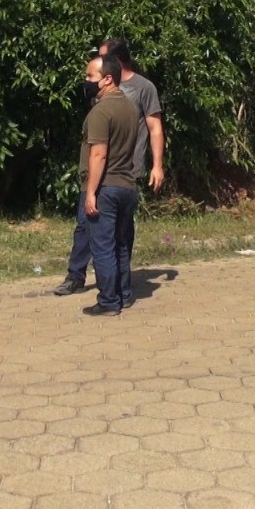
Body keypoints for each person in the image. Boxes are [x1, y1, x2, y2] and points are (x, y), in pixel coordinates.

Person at [54, 38, 164, 296]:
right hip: (97, 171)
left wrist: (157, 165)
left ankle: (114, 291)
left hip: (124, 170)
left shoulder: (142, 88)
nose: (98, 61)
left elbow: (155, 127)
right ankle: (76, 275)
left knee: (120, 233)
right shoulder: (101, 90)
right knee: (85, 225)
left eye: (104, 57)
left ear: (118, 61)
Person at [78, 55, 140, 315]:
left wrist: (91, 192)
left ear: (107, 79)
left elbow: (98, 155)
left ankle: (108, 301)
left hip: (106, 187)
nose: (86, 81)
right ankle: (124, 294)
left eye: (90, 76)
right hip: (128, 186)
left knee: (102, 246)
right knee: (122, 245)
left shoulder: (100, 111)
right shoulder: (131, 108)